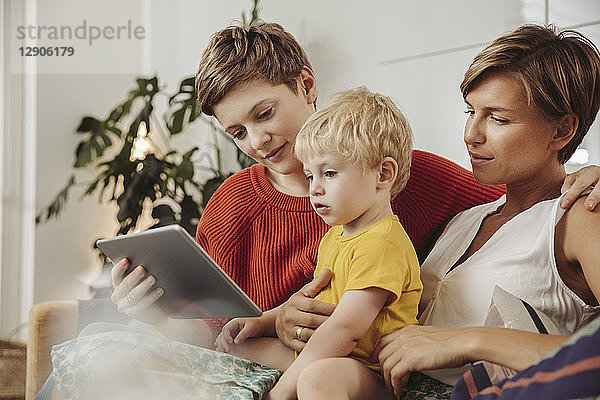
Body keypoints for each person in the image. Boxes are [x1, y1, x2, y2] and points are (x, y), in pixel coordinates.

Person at [110, 20, 600, 355]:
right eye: (237, 133)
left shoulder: (419, 179)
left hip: (352, 377)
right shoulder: (470, 220)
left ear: (306, 85)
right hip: (279, 366)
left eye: (264, 115)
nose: (257, 141)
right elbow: (218, 337)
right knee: (103, 344)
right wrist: (159, 314)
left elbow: (537, 204)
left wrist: (589, 172)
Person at [373, 24, 600, 398]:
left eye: (498, 118)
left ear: (562, 131)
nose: (471, 133)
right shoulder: (465, 219)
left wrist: (472, 341)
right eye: (471, 110)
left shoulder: (580, 216)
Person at [215, 86, 422, 399]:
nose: (315, 189)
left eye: (329, 173)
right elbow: (322, 301)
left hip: (369, 370)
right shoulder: (337, 234)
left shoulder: (383, 243)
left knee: (316, 378)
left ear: (383, 173)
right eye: (311, 176)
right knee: (242, 346)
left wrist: (281, 392)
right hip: (327, 352)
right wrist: (262, 322)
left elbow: (345, 330)